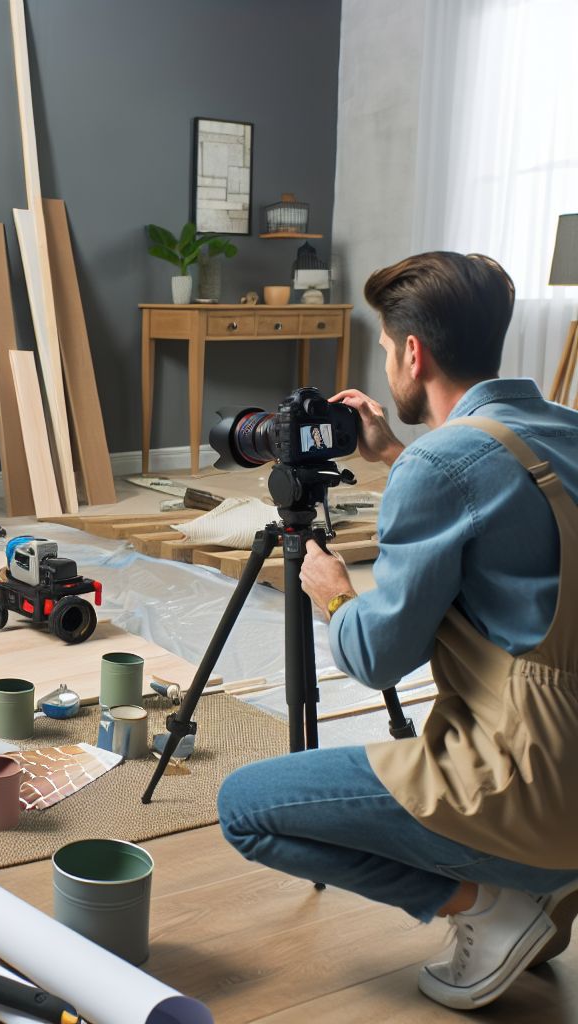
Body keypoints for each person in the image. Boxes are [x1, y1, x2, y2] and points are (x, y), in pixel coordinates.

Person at [216, 252, 578, 1011]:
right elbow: (505, 505)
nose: (386, 367)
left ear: (414, 352)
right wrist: (396, 458)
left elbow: (378, 662)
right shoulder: (561, 429)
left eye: (385, 349)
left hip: (535, 785)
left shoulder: (446, 465)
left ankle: (490, 903)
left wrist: (336, 595)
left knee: (246, 806)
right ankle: (544, 887)